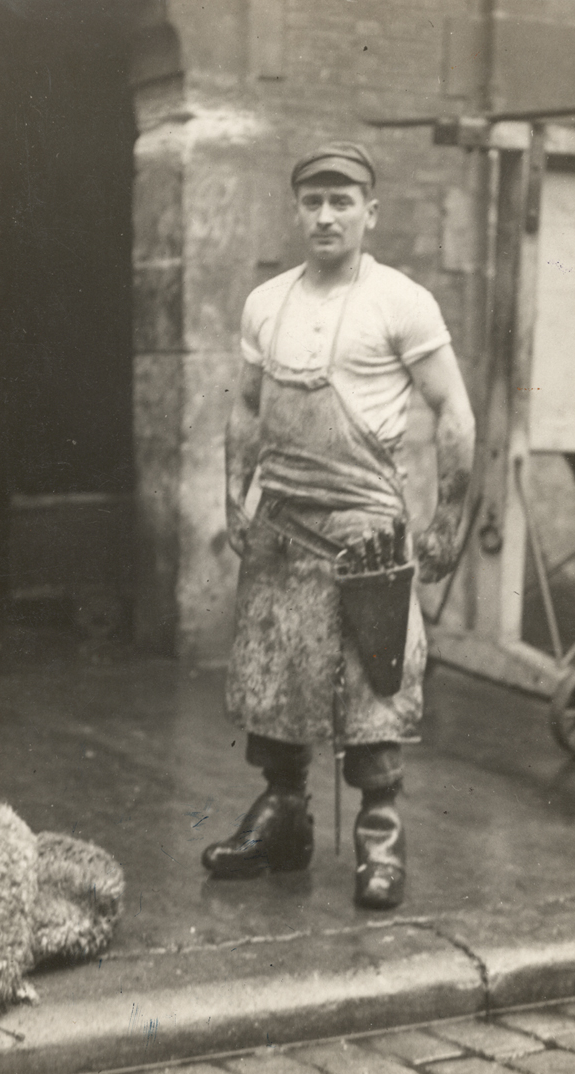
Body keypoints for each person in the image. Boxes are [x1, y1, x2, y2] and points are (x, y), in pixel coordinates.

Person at [202, 141, 475, 909]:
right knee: (273, 679)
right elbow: (246, 405)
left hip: (366, 535)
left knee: (373, 689)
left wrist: (446, 520)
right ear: (297, 211)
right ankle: (282, 819)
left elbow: (453, 411)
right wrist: (233, 492)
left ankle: (379, 840)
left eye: (341, 202)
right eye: (312, 202)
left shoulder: (401, 301)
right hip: (281, 525)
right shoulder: (266, 302)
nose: (325, 216)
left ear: (369, 212)